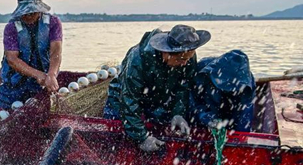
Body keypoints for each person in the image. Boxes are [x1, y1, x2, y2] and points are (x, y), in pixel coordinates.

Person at [103, 24, 210, 152]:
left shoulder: (187, 57)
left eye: (188, 58)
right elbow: (129, 100)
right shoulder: (138, 59)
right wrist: (142, 138)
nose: (185, 63)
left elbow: (183, 86)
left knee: (163, 133)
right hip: (122, 99)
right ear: (166, 52)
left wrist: (178, 113)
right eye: (182, 59)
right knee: (117, 138)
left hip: (156, 100)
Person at [0, 0, 62, 109]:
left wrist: (51, 75)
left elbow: (56, 52)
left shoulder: (53, 23)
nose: (29, 16)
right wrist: (38, 75)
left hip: (40, 85)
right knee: (3, 115)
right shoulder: (11, 28)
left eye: (33, 12)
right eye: (25, 13)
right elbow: (12, 59)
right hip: (13, 86)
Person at [189, 50, 255, 132]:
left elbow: (245, 115)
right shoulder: (201, 70)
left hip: (229, 112)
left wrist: (240, 137)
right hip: (205, 108)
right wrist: (206, 118)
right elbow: (191, 102)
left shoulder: (246, 84)